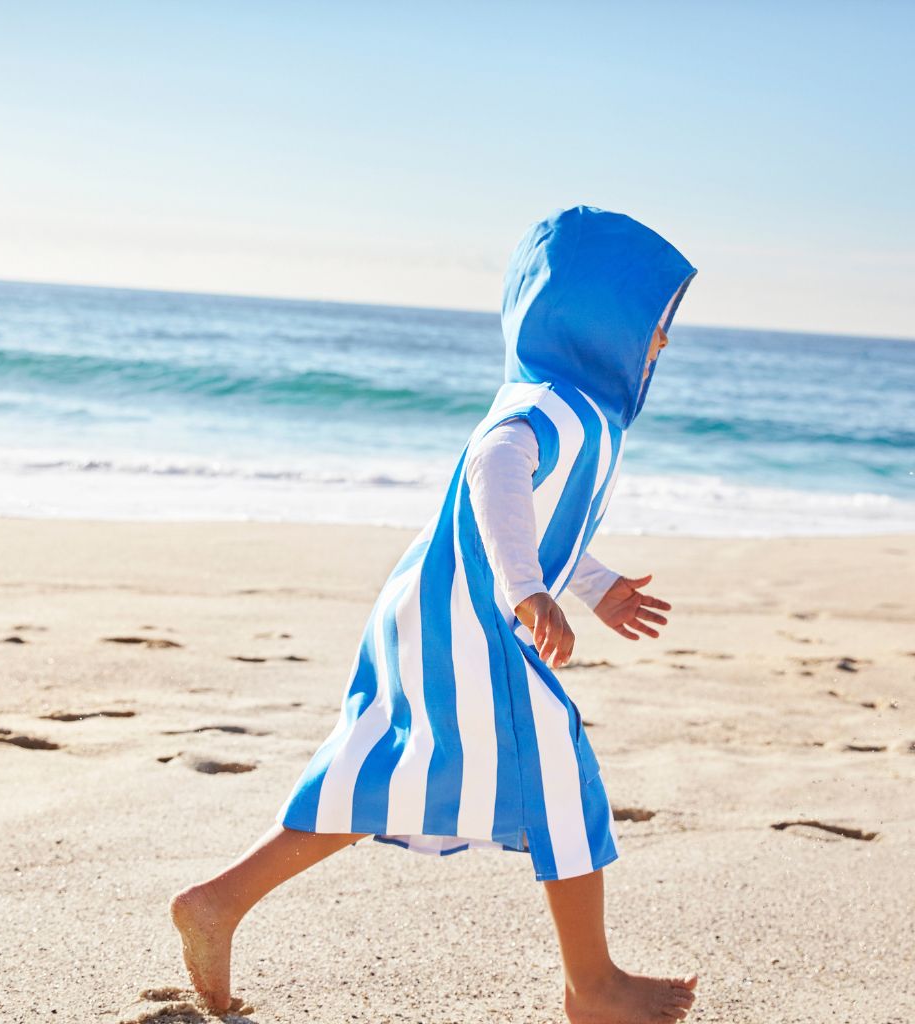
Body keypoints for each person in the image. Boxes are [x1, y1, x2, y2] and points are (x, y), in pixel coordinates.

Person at [171, 204, 700, 1023]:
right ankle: (592, 986)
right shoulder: (551, 404)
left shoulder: (578, 407)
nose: (662, 341)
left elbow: (535, 513)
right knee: (558, 768)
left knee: (386, 769)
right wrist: (527, 589)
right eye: (653, 321)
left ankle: (219, 902)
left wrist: (592, 584)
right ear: (599, 318)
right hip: (472, 617)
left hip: (441, 603)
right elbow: (496, 473)